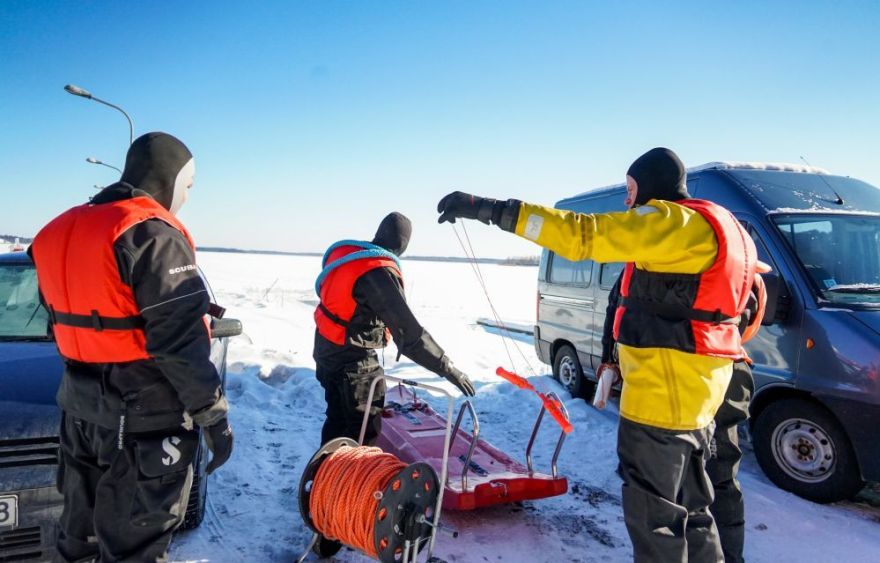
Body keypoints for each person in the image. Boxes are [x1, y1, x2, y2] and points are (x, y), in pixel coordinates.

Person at [437, 147, 758, 562]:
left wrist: (487, 209)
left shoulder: (671, 221)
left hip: (663, 401)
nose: (628, 200)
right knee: (694, 512)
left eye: (631, 189)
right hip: (700, 396)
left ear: (654, 187)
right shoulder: (724, 228)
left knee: (655, 520)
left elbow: (580, 234)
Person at [30, 132, 233, 562]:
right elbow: (178, 340)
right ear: (171, 178)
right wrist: (213, 416)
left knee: (78, 538)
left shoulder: (55, 231)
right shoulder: (150, 234)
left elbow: (59, 317)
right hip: (143, 420)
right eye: (189, 186)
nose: (187, 198)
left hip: (80, 411)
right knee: (134, 548)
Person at [599, 269, 767, 563]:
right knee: (715, 479)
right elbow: (754, 313)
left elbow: (619, 314)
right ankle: (724, 556)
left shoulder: (650, 256)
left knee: (662, 492)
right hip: (724, 373)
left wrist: (610, 361)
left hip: (675, 384)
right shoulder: (736, 258)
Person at [313, 211, 476, 447]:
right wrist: (448, 369)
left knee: (337, 420)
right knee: (361, 432)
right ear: (402, 245)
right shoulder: (377, 272)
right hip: (353, 363)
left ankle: (323, 477)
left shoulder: (348, 256)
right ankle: (351, 480)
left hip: (326, 349)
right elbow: (409, 334)